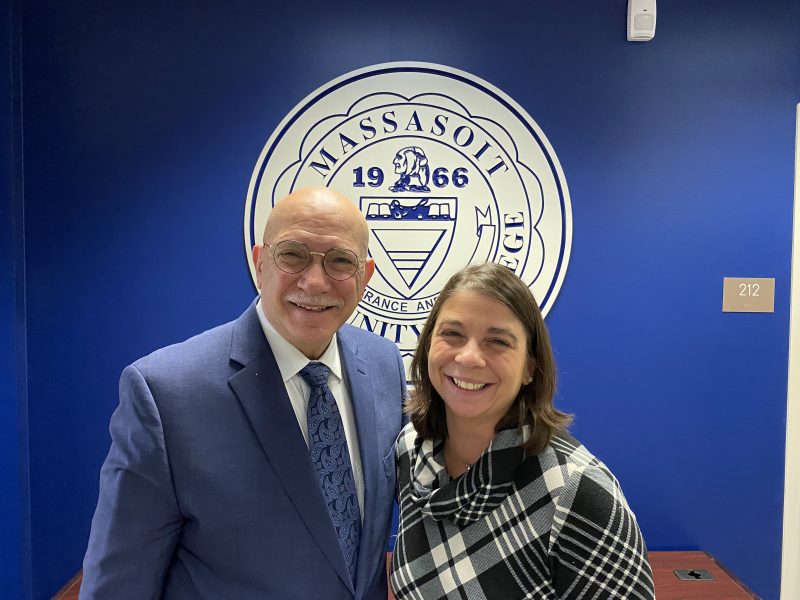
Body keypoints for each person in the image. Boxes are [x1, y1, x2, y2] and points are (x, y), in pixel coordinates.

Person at [81, 187, 406, 600]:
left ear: (366, 276)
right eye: (293, 254)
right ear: (259, 263)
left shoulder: (383, 365)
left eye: (341, 260)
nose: (315, 280)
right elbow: (118, 584)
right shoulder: (164, 394)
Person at [390, 263, 654, 600]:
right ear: (428, 346)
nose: (469, 357)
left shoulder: (575, 489)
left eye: (497, 341)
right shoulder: (410, 452)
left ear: (530, 367)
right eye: (452, 334)